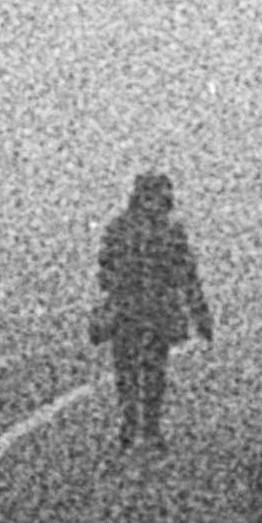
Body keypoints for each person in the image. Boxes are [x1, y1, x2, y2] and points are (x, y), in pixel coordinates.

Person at [90, 171, 215, 447]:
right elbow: (107, 269)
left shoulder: (129, 228)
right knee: (136, 369)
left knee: (143, 368)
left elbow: (185, 274)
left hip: (144, 308)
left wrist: (199, 312)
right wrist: (199, 314)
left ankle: (142, 425)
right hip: (140, 308)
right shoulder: (160, 230)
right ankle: (139, 424)